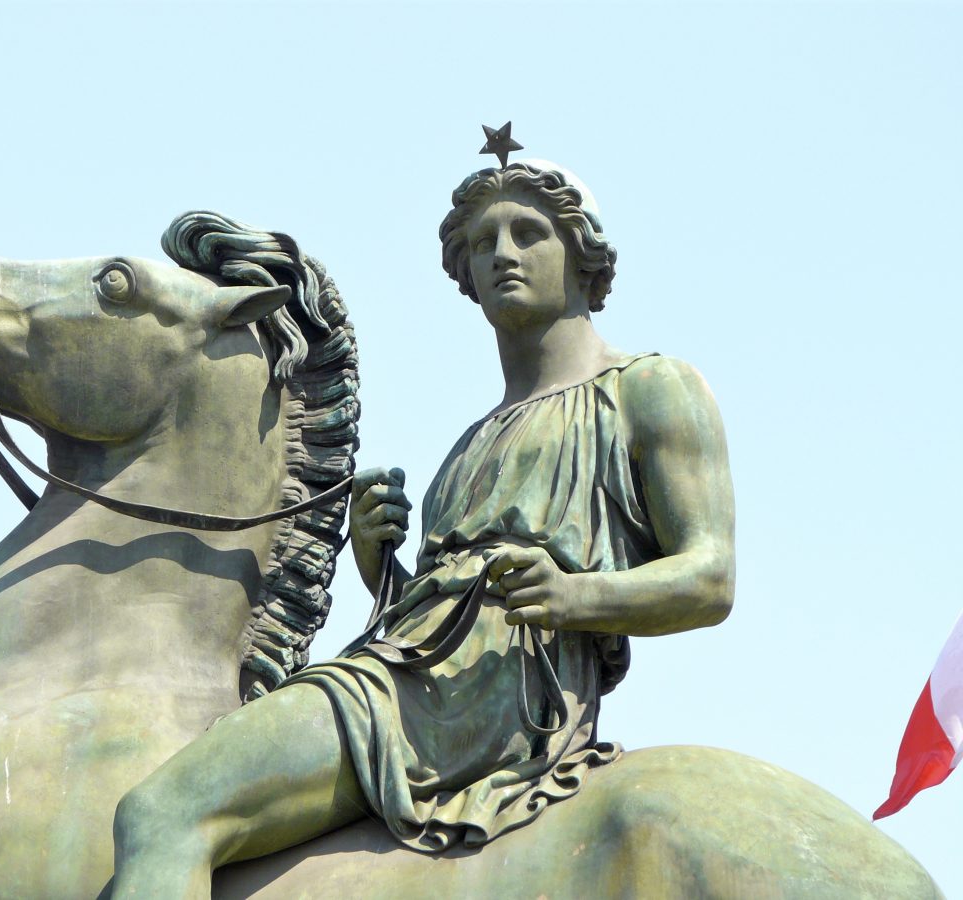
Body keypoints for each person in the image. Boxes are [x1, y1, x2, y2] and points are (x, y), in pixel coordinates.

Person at [107, 160, 735, 897]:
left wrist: (573, 596)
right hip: (416, 669)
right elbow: (444, 612)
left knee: (162, 812)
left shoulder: (650, 388)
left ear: (582, 253)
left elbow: (712, 577)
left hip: (498, 692)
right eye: (481, 241)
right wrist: (381, 569)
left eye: (529, 232)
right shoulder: (472, 441)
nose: (502, 251)